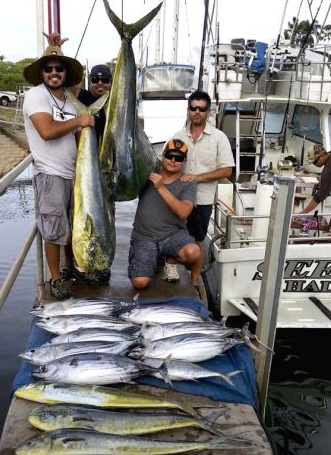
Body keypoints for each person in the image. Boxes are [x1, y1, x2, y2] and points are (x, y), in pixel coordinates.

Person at [23, 43, 95, 300]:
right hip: (50, 173)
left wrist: (87, 165)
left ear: (66, 74)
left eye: (59, 68)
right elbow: (47, 130)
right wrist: (81, 121)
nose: (54, 72)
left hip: (72, 174)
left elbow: (75, 137)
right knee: (53, 228)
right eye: (49, 68)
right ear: (42, 73)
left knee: (72, 225)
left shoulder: (69, 101)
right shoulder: (36, 95)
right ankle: (55, 279)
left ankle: (71, 268)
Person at [168, 90, 234, 292]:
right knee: (172, 235)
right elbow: (165, 164)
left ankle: (194, 283)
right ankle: (171, 272)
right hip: (178, 199)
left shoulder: (219, 138)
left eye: (202, 109)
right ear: (188, 110)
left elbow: (227, 170)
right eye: (193, 108)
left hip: (202, 199)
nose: (197, 112)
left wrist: (197, 177)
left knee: (198, 239)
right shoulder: (177, 136)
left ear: (209, 111)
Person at [128, 139, 201, 290]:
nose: (173, 160)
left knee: (193, 252)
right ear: (163, 156)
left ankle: (170, 257)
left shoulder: (188, 183)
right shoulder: (147, 174)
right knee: (140, 283)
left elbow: (183, 212)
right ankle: (156, 258)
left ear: (184, 162)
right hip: (144, 237)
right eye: (169, 155)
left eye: (179, 158)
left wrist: (161, 187)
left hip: (172, 235)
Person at [77, 64, 112, 147]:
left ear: (111, 83)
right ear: (90, 83)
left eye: (105, 80)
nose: (100, 83)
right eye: (95, 79)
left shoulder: (114, 104)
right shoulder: (81, 95)